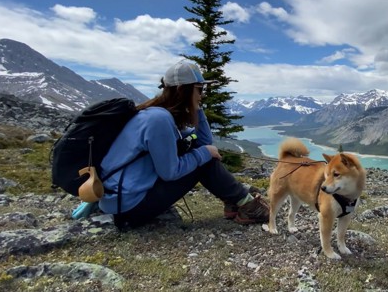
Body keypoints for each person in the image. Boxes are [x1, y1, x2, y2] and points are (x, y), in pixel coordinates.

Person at [96, 60, 269, 228]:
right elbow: (170, 172)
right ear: (181, 90)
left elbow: (203, 142)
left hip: (124, 201)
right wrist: (205, 153)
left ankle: (236, 201)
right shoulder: (159, 119)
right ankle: (247, 205)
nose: (203, 94)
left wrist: (197, 108)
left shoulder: (157, 115)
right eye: (199, 90)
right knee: (204, 159)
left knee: (203, 152)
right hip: (129, 210)